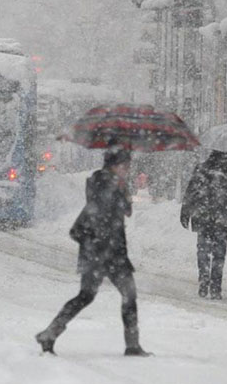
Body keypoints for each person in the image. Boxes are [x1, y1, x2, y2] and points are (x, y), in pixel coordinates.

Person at [35, 146, 151, 357]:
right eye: (125, 165)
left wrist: (124, 191)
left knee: (99, 296)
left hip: (105, 250)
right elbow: (106, 212)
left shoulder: (111, 182)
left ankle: (51, 333)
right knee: (109, 296)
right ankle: (131, 345)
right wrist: (120, 192)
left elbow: (125, 211)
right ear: (114, 165)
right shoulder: (104, 182)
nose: (127, 169)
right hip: (103, 250)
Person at [180, 150, 227, 299]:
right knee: (219, 254)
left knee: (203, 251)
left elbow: (191, 192)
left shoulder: (201, 169)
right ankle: (216, 288)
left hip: (203, 217)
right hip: (222, 219)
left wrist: (185, 212)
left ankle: (203, 281)